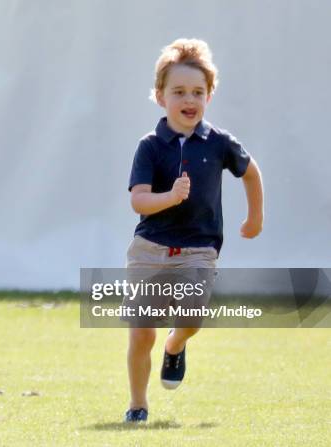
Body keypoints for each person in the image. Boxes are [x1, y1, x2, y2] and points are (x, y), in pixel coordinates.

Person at [124, 38, 264, 422]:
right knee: (141, 333)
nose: (190, 100)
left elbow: (251, 173)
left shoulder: (219, 143)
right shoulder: (150, 147)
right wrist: (169, 197)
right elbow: (139, 201)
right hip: (150, 249)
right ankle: (138, 405)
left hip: (199, 250)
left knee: (191, 321)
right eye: (179, 92)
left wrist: (255, 218)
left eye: (198, 92)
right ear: (159, 96)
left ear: (209, 95)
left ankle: (176, 344)